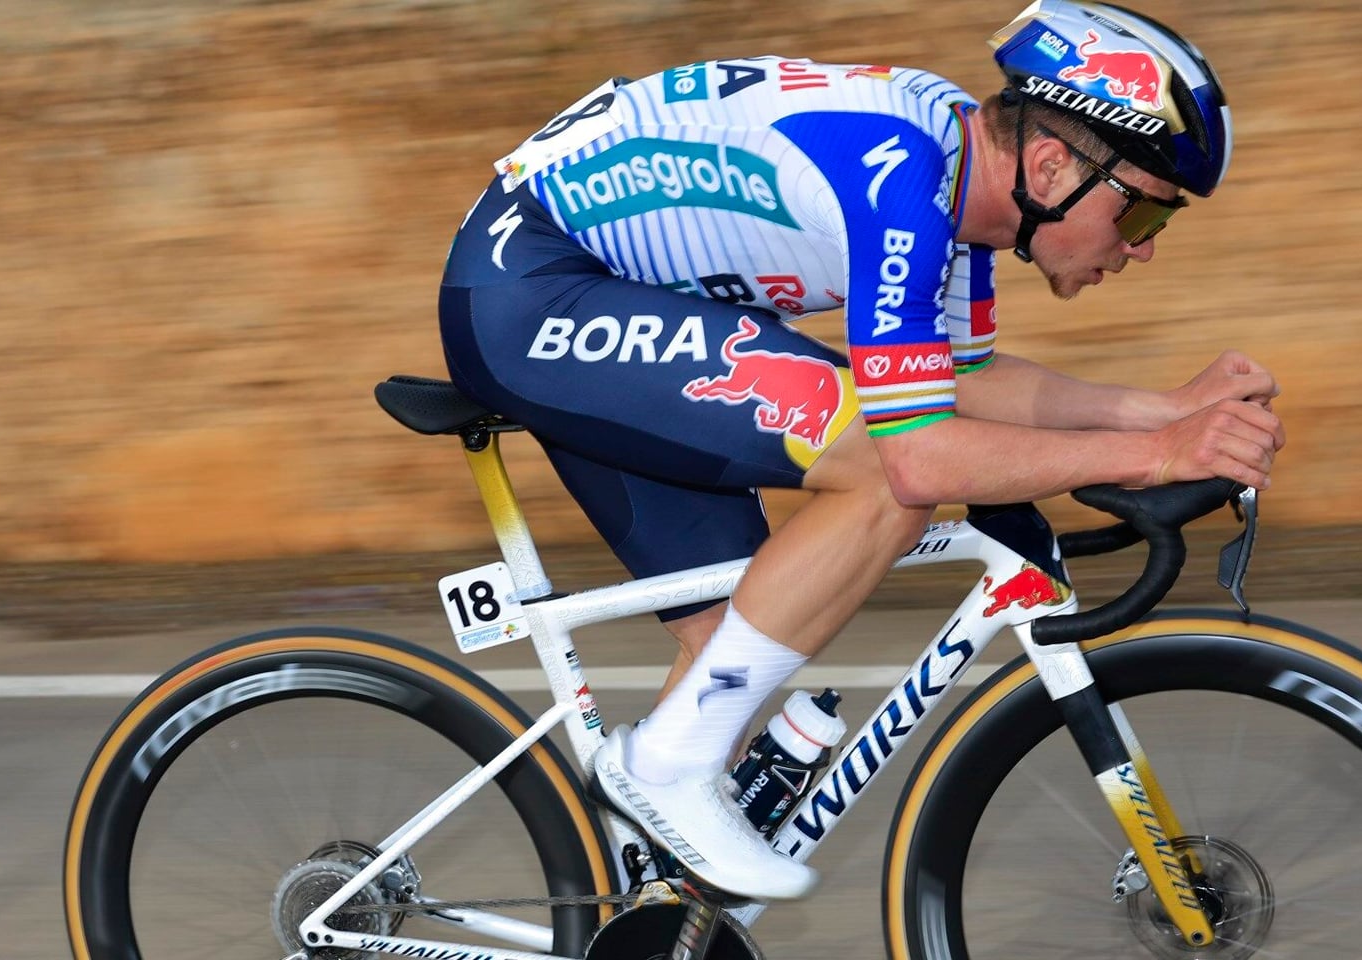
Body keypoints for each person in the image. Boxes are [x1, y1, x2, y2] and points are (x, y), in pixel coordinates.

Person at [437, 0, 1283, 901]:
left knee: (738, 641)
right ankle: (660, 771)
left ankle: (650, 912)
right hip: (534, 292)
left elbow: (958, 382)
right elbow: (921, 456)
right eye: (1144, 217)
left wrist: (1155, 410)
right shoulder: (903, 183)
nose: (1141, 250)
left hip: (613, 292)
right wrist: (1155, 455)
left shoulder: (958, 184)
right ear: (1050, 166)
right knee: (885, 474)